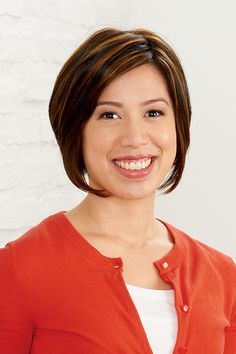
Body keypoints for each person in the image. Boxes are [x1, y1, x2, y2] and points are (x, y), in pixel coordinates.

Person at [0, 27, 235, 354]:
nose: (135, 137)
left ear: (178, 126)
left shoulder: (223, 277)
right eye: (109, 114)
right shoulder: (18, 270)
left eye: (153, 113)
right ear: (75, 130)